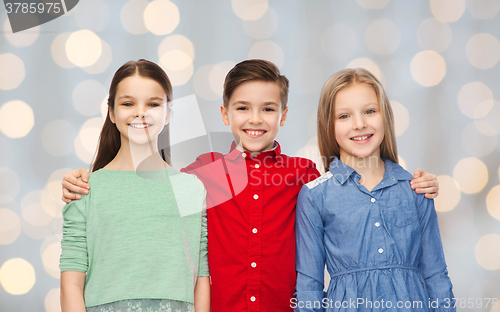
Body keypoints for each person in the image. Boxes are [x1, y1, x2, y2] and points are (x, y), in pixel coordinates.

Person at [61, 60, 440, 312]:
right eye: (242, 108)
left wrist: (415, 183)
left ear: (284, 115)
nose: (254, 119)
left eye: (268, 109)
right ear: (225, 114)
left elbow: (355, 197)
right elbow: (145, 205)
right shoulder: (201, 175)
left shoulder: (304, 176)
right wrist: (84, 183)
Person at [294, 68, 454, 312]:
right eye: (344, 116)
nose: (359, 124)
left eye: (370, 111)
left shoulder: (416, 189)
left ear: (385, 117)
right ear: (329, 125)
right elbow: (309, 287)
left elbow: (435, 275)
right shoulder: (315, 197)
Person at [59, 59, 210, 312]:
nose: (140, 112)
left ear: (168, 113)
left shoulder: (191, 189)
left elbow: (201, 278)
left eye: (153, 104)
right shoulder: (85, 188)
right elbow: (71, 285)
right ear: (111, 113)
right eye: (128, 103)